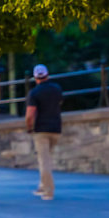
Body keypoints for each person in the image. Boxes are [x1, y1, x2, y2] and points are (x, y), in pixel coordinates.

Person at [26, 64, 63, 200]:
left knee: (44, 161)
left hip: (41, 129)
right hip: (56, 128)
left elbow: (30, 114)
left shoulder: (34, 93)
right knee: (47, 159)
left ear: (35, 78)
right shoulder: (57, 89)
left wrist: (29, 127)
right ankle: (42, 186)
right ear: (47, 75)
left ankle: (48, 191)